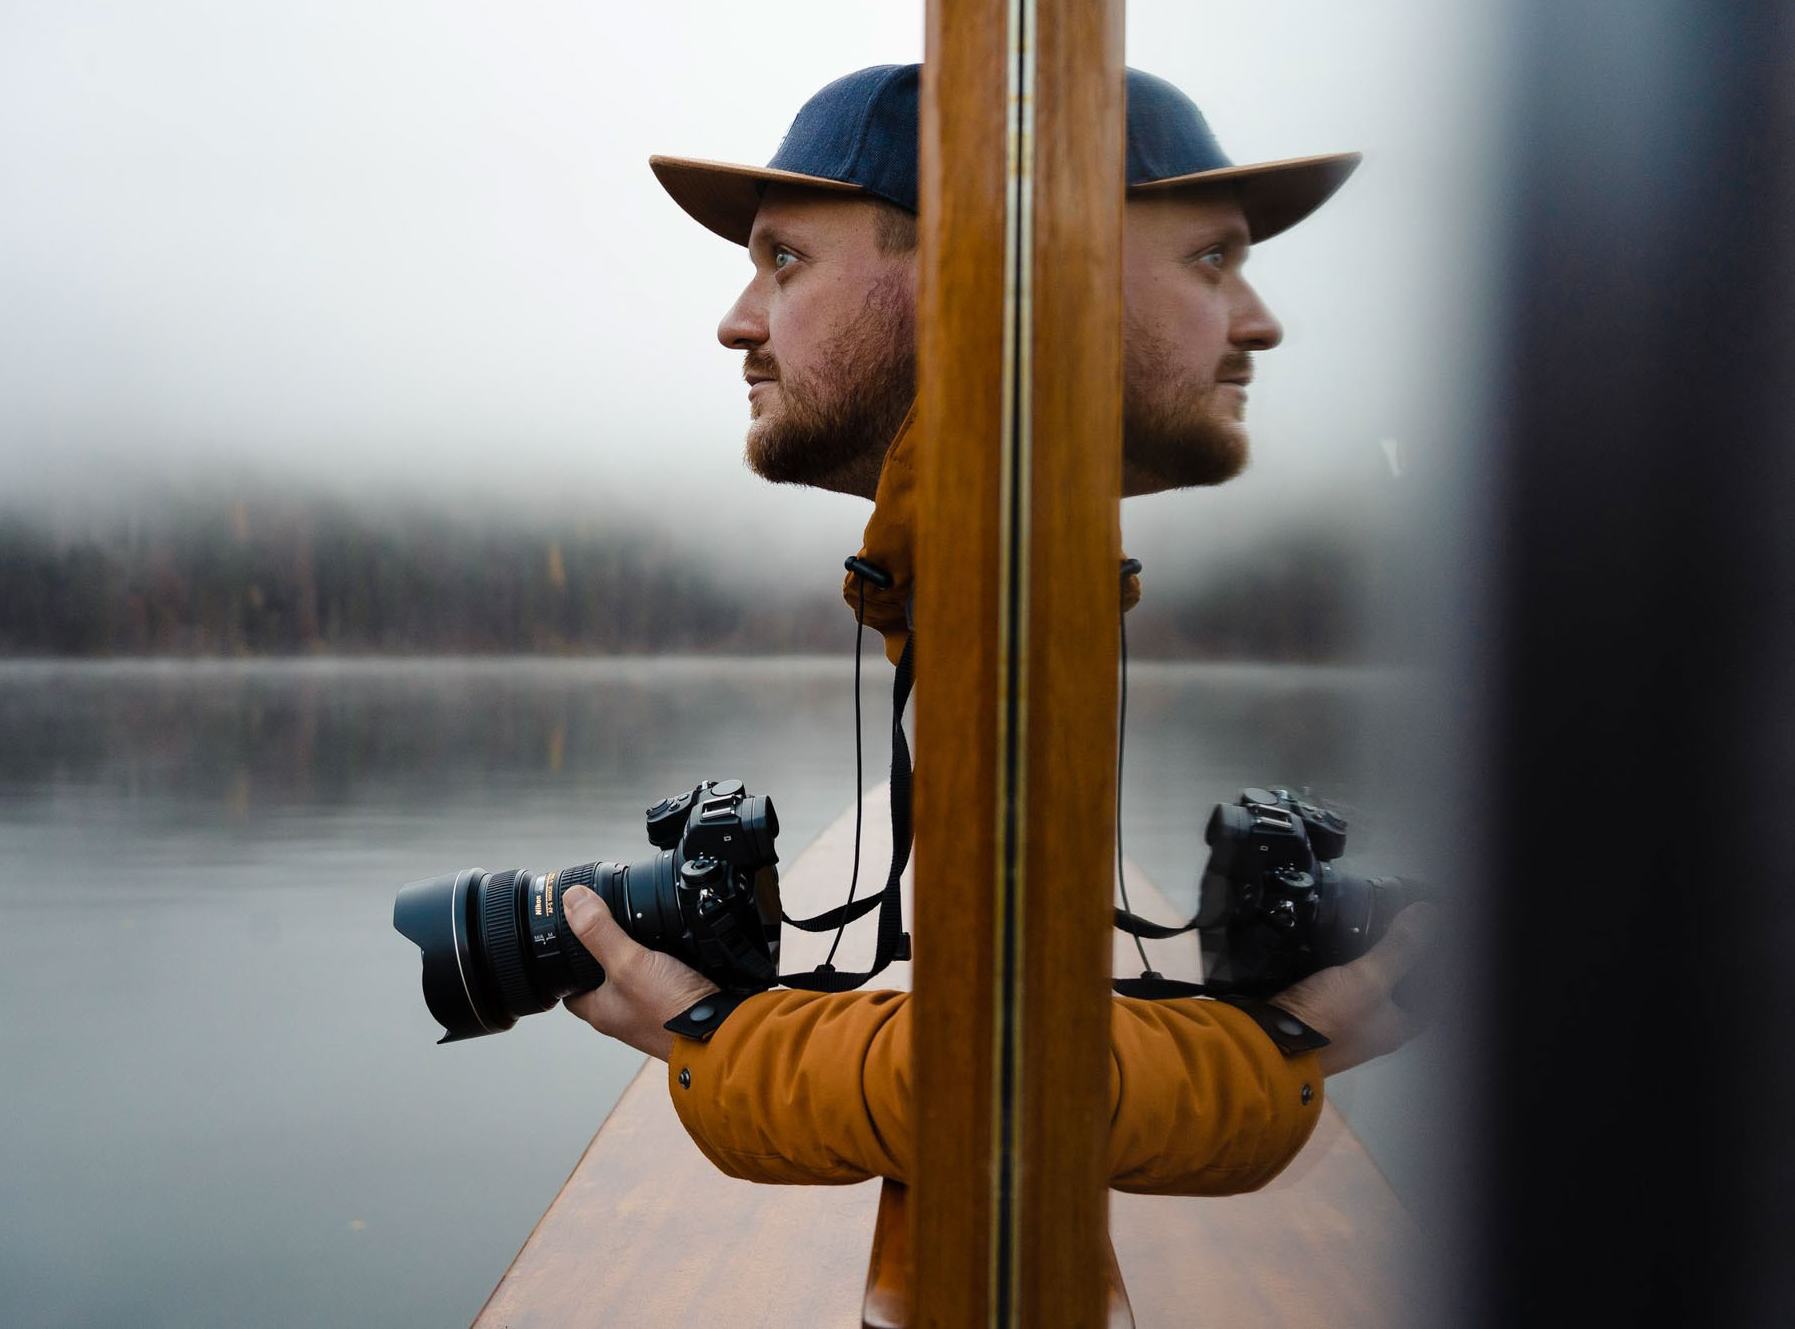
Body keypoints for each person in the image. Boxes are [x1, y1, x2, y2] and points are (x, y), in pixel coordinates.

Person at [560, 65, 1433, 1190]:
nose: (738, 319)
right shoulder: (988, 561)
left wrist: (703, 1029)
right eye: (1213, 259)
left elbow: (1001, 1099)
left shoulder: (1006, 569)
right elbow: (1008, 1066)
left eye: (782, 258)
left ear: (999, 278)